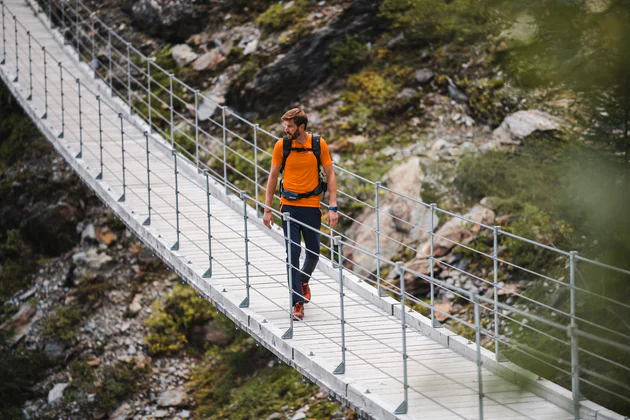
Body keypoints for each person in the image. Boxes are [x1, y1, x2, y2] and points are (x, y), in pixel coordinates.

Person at [263, 108, 338, 321]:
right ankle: (297, 303)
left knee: (314, 252)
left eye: (289, 126)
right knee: (293, 253)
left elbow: (331, 175)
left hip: (312, 206)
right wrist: (267, 209)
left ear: (301, 127)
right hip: (289, 206)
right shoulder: (282, 145)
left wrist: (333, 207)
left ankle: (303, 280)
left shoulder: (317, 144)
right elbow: (272, 177)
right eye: (285, 126)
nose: (285, 130)